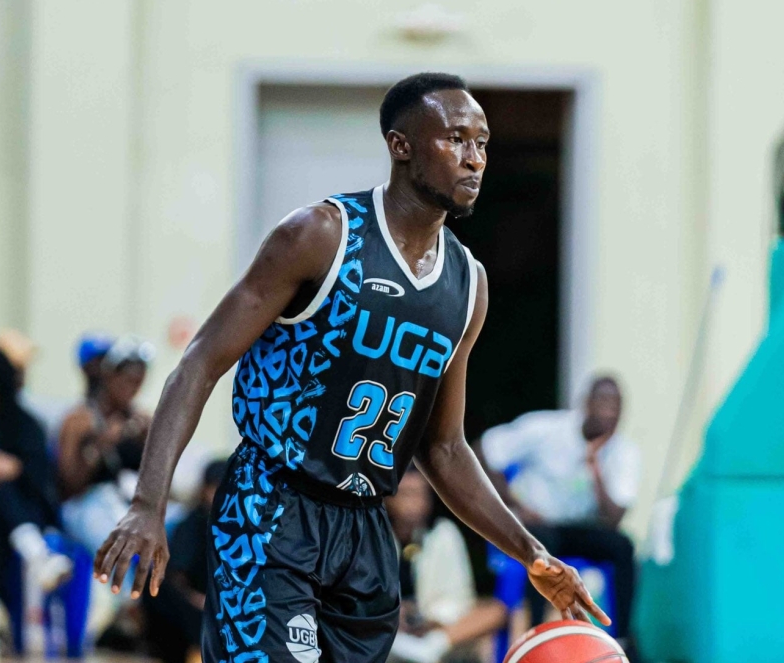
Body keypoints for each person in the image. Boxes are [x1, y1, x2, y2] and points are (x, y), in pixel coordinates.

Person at [94, 72, 607, 663]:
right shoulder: (319, 236)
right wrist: (146, 505)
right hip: (272, 508)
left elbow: (442, 449)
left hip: (366, 533)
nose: (475, 159)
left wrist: (531, 553)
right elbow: (198, 363)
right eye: (456, 139)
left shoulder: (468, 286)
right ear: (402, 145)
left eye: (482, 143)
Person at [476, 376, 639, 644]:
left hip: (580, 528)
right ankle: (535, 632)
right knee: (542, 546)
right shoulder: (547, 428)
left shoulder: (624, 452)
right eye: (603, 403)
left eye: (616, 408)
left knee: (623, 547)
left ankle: (622, 640)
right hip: (536, 524)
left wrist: (594, 465)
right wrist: (515, 506)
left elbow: (614, 519)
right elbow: (483, 451)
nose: (609, 413)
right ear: (586, 404)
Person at [0, 346, 72, 659]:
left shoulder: (25, 422)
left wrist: (14, 467)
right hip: (11, 523)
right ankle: (37, 554)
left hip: (22, 513)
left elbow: (42, 479)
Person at [386, 468, 506, 663]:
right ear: (388, 499)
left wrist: (431, 620)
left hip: (435, 627)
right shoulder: (374, 537)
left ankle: (431, 647)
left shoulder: (443, 533)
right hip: (391, 628)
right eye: (407, 494)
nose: (414, 504)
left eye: (420, 494)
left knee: (495, 611)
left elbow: (459, 597)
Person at [59, 335, 154, 555]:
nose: (133, 389)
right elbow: (68, 486)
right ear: (109, 377)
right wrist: (102, 444)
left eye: (139, 381)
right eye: (127, 380)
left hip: (126, 504)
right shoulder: (79, 420)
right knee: (116, 537)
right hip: (85, 506)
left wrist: (150, 443)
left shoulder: (139, 420)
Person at [143, 459, 228, 663]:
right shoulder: (194, 522)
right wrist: (203, 601)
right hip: (196, 607)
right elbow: (176, 575)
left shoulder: (236, 527)